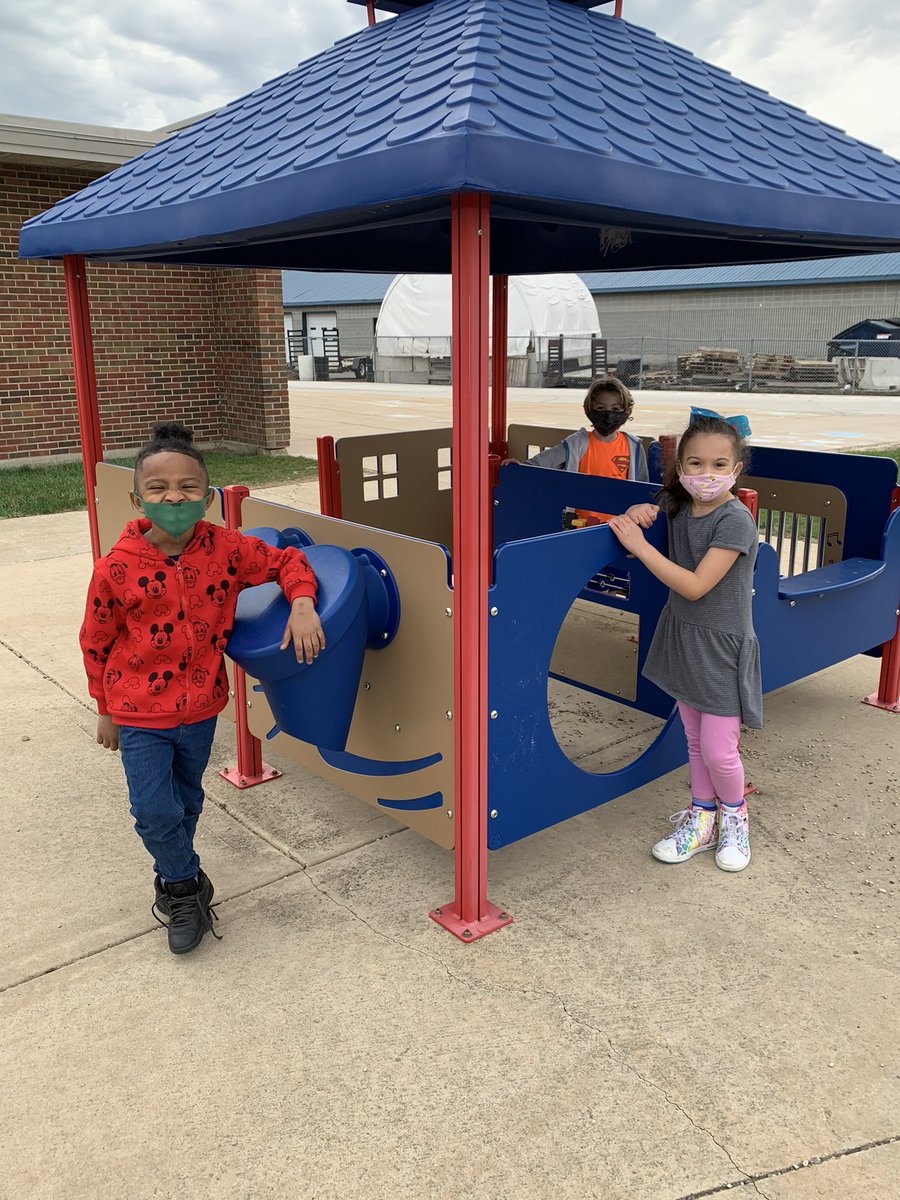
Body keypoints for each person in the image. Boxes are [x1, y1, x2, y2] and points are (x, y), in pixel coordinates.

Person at [80, 422, 325, 954]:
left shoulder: (226, 550)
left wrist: (302, 602)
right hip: (137, 710)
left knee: (187, 800)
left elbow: (286, 559)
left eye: (188, 487)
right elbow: (96, 641)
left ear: (208, 496)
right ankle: (185, 886)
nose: (174, 498)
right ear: (137, 497)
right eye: (160, 488)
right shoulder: (115, 569)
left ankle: (174, 878)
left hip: (200, 707)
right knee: (153, 809)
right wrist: (104, 708)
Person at [608, 414, 760, 873]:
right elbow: (652, 511)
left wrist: (640, 545)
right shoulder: (679, 506)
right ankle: (702, 817)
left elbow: (696, 586)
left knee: (719, 749)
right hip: (684, 637)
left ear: (736, 469)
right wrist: (641, 512)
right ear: (679, 469)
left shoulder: (735, 521)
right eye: (695, 463)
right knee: (693, 741)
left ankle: (736, 817)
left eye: (719, 464)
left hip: (720, 647)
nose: (707, 475)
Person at [526, 376, 649, 524]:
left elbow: (642, 491)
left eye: (615, 409)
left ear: (627, 411)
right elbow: (537, 464)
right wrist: (516, 467)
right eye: (600, 408)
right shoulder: (576, 444)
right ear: (588, 410)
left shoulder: (634, 447)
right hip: (580, 529)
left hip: (620, 529)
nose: (608, 414)